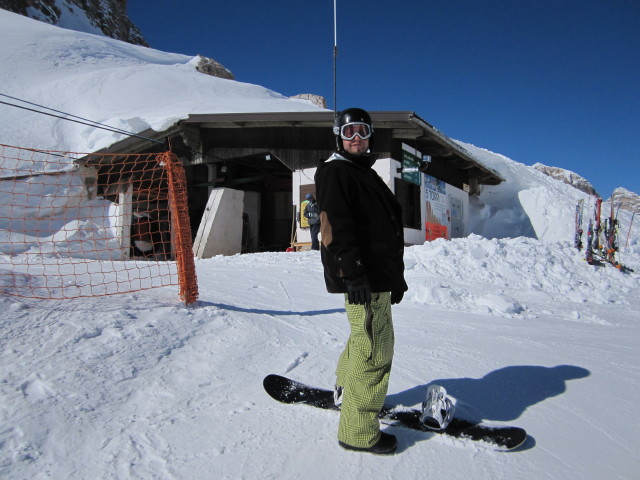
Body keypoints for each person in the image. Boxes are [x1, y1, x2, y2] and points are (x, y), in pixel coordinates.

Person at [314, 108, 407, 455]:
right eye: (349, 132)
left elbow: (381, 230)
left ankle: (345, 390)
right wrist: (353, 274)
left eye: (363, 132)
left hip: (375, 278)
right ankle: (357, 432)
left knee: (361, 340)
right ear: (338, 136)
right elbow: (335, 228)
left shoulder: (358, 172)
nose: (357, 138)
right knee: (374, 351)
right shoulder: (337, 172)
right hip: (362, 279)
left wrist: (394, 279)